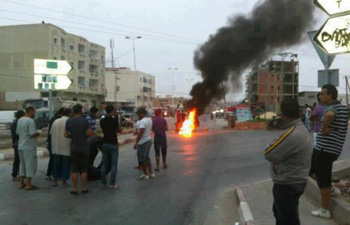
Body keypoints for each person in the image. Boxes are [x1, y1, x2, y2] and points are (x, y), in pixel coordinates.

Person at [264, 100, 312, 225]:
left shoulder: (292, 133)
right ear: (299, 112)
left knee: (286, 219)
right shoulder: (303, 129)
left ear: (283, 114)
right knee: (287, 215)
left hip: (287, 182)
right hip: (298, 179)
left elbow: (269, 153)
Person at [310, 84, 349, 219]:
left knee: (323, 180)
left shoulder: (331, 109)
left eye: (323, 94)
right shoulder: (343, 107)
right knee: (311, 171)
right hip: (325, 148)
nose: (320, 96)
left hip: (325, 149)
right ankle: (331, 189)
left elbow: (330, 115)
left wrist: (325, 128)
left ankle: (325, 210)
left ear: (330, 95)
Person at [65, 104, 93, 195]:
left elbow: (65, 134)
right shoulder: (85, 121)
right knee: (84, 170)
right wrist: (84, 136)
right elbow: (89, 133)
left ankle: (75, 189)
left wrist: (72, 136)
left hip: (74, 148)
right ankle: (84, 188)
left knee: (74, 170)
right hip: (84, 147)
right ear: (81, 111)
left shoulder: (69, 121)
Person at [17, 106, 40, 190]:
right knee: (30, 165)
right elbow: (32, 133)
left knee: (22, 165)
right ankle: (28, 184)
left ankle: (21, 183)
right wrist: (37, 133)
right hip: (29, 146)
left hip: (21, 145)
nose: (34, 114)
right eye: (34, 112)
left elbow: (17, 132)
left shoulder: (20, 120)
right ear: (30, 111)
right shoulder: (30, 121)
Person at [100, 105, 122, 189]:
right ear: (112, 111)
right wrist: (116, 118)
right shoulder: (114, 120)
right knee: (114, 164)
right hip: (113, 143)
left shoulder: (102, 121)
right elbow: (119, 130)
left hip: (105, 143)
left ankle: (103, 182)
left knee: (104, 163)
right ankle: (112, 183)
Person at [50, 108, 72, 187]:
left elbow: (51, 133)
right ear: (69, 114)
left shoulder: (55, 121)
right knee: (66, 165)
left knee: (56, 165)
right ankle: (63, 181)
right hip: (66, 147)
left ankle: (55, 181)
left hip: (56, 147)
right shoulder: (69, 121)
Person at [133, 108, 155, 180]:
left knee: (143, 159)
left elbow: (141, 132)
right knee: (147, 157)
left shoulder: (142, 121)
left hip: (143, 142)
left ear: (141, 114)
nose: (137, 116)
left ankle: (145, 174)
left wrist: (136, 143)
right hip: (148, 140)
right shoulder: (149, 120)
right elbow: (144, 131)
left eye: (138, 114)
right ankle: (151, 173)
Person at [46, 107, 65, 180]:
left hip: (52, 141)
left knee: (53, 158)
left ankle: (50, 173)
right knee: (54, 158)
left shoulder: (54, 119)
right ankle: (53, 173)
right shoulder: (56, 120)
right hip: (53, 141)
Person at [10, 110, 25, 181]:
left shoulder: (15, 123)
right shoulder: (16, 123)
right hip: (17, 143)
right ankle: (15, 174)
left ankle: (19, 173)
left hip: (17, 143)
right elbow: (16, 134)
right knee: (17, 159)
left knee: (19, 159)